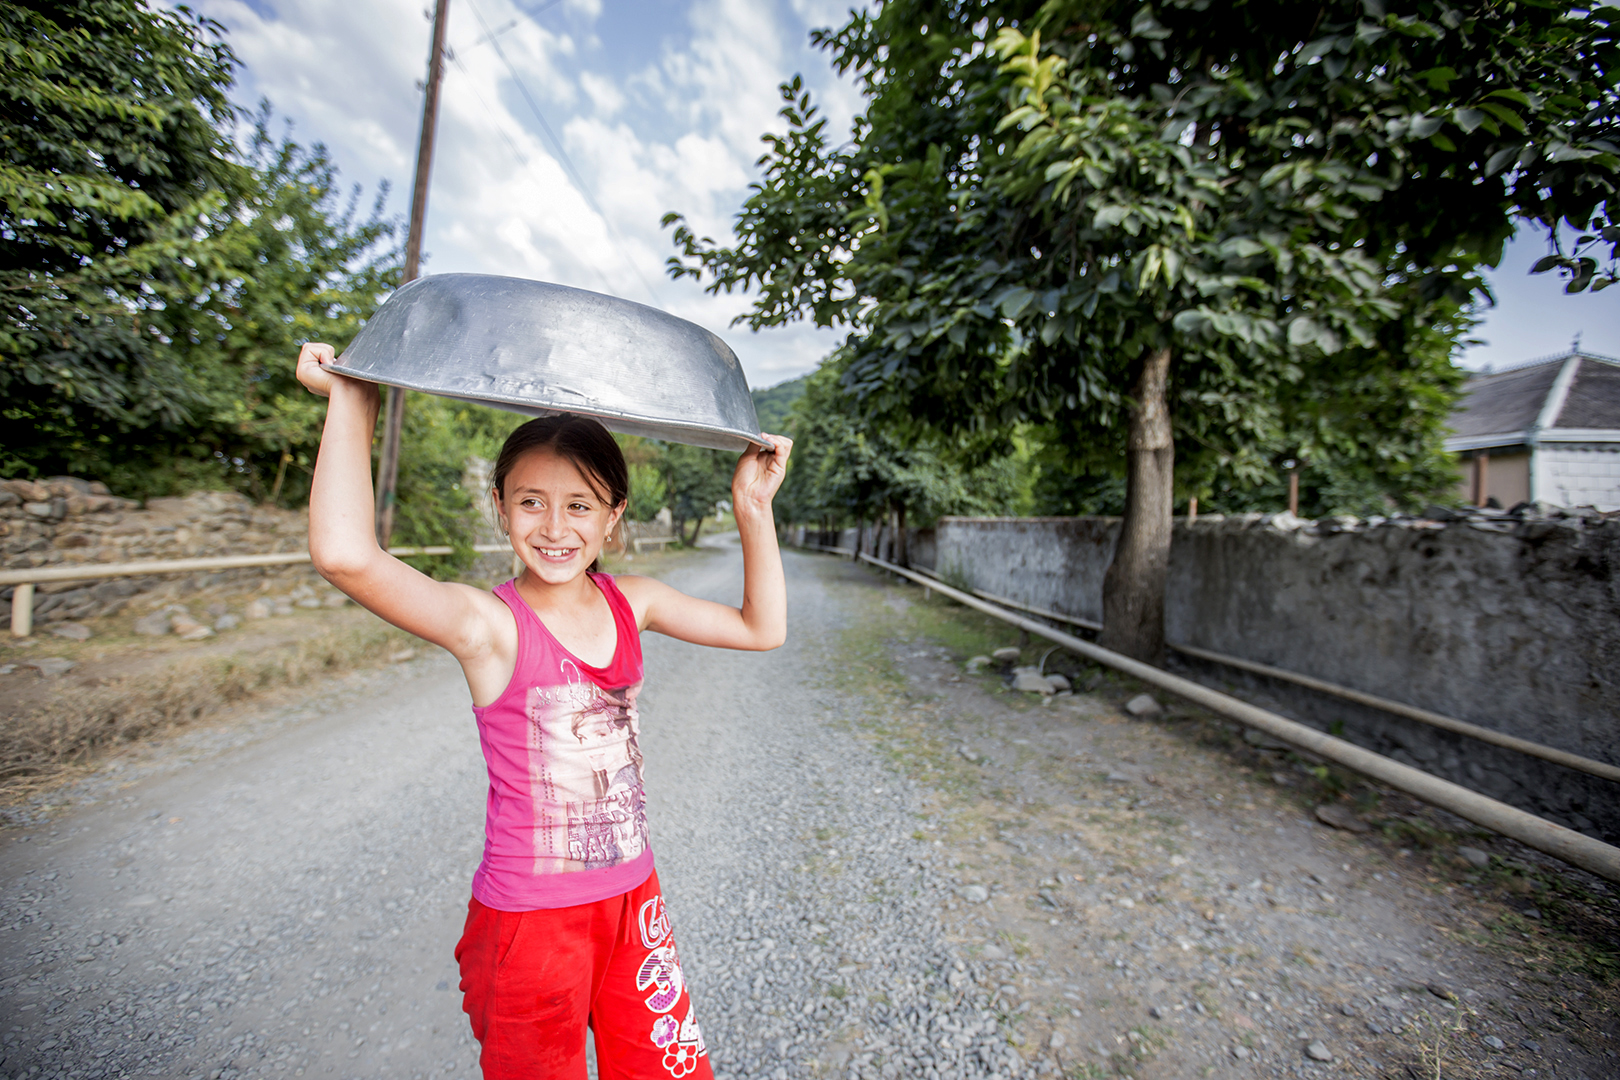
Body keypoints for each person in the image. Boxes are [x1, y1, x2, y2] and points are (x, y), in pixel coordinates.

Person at [295, 342, 792, 1080]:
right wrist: (353, 400)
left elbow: (762, 628)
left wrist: (751, 507)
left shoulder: (638, 602)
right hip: (530, 923)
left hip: (633, 903)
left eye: (580, 505)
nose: (555, 527)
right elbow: (345, 555)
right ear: (500, 507)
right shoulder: (486, 627)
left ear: (613, 516)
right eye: (532, 501)